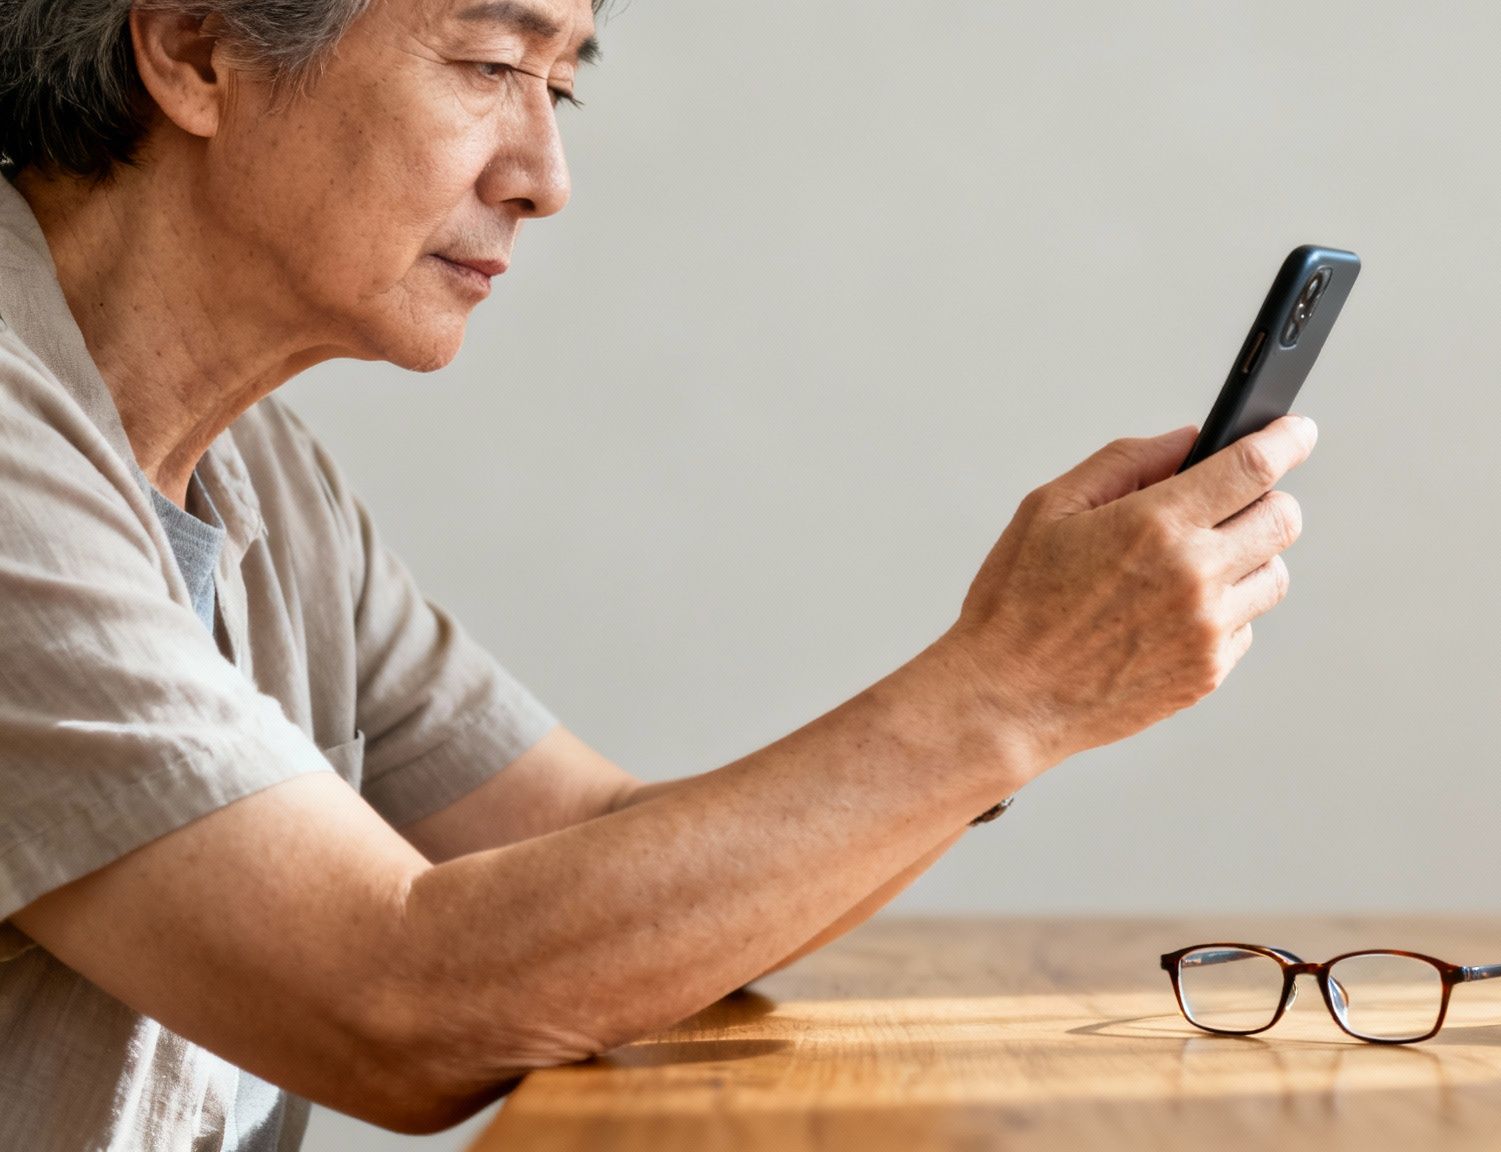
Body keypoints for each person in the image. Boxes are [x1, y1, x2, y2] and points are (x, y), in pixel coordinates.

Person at [0, 0, 1314, 1147]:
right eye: (488, 64)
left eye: (559, 85)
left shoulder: (261, 474)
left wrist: (1032, 688)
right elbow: (394, 1006)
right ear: (195, 51)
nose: (545, 174)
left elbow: (596, 856)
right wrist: (1007, 696)